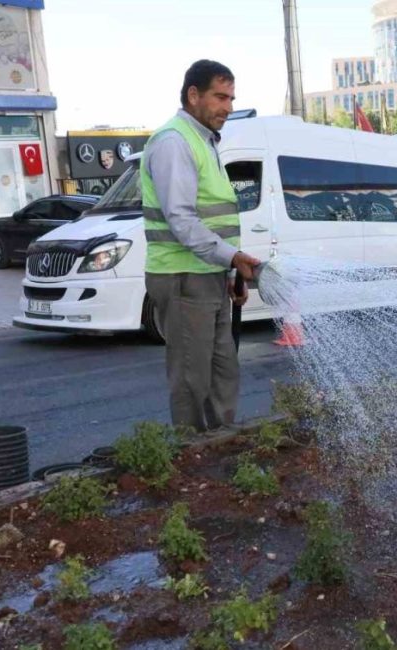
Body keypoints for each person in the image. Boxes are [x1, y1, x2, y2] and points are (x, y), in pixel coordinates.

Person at [139, 59, 261, 431]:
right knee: (193, 379)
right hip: (181, 277)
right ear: (194, 95)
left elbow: (211, 219)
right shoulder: (175, 142)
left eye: (232, 98)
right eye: (219, 97)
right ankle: (192, 459)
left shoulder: (204, 141)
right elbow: (182, 221)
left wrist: (226, 270)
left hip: (204, 274)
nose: (228, 107)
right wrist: (233, 257)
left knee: (223, 372)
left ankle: (220, 450)